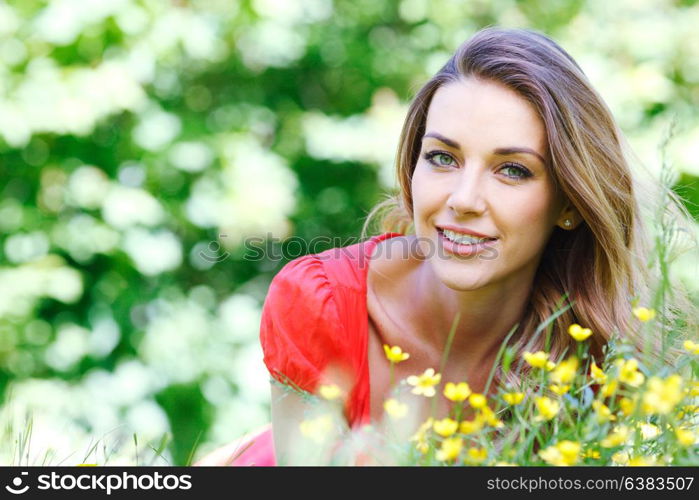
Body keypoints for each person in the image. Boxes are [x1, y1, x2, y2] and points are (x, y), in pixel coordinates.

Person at [195, 26, 697, 466]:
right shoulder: (318, 302)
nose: (463, 199)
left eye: (513, 170)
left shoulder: (599, 351)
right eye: (442, 158)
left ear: (569, 203)